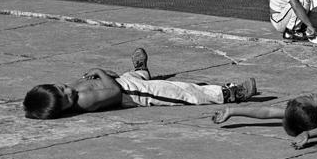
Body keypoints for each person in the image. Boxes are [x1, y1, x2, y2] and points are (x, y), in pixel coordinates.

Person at [23, 48, 258, 119]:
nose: (69, 92)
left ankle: (141, 71)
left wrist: (101, 75)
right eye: (66, 100)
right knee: (181, 92)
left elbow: (106, 82)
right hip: (137, 94)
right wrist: (99, 72)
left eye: (62, 88)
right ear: (65, 110)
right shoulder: (83, 101)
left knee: (133, 76)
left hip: (128, 82)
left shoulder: (72, 89)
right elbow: (114, 91)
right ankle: (229, 94)